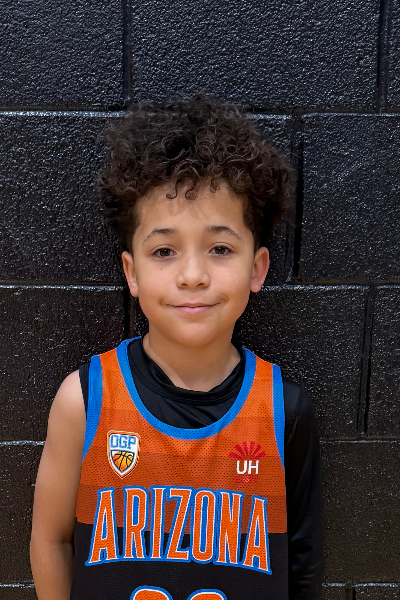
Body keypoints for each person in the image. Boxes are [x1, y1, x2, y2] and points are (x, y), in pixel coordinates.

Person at [30, 96, 324, 600]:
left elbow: (303, 563)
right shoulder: (84, 400)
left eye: (220, 248)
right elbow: (51, 540)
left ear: (257, 269)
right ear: (132, 273)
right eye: (164, 250)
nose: (192, 275)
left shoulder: (285, 409)